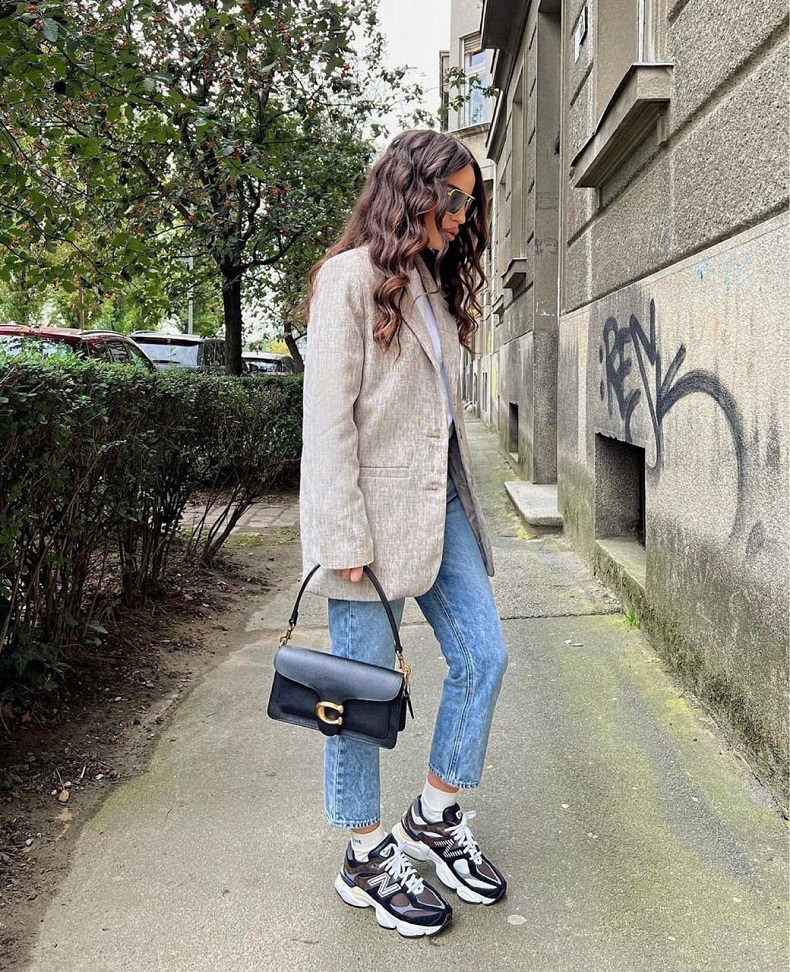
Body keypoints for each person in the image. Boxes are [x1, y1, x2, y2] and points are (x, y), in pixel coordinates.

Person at [299, 129, 509, 938]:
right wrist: (341, 538)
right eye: (450, 197)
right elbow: (327, 424)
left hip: (440, 505)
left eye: (468, 202)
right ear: (409, 189)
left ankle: (434, 815)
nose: (460, 214)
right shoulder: (348, 279)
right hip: (367, 525)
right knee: (355, 695)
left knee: (484, 656)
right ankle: (363, 852)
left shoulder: (428, 281)